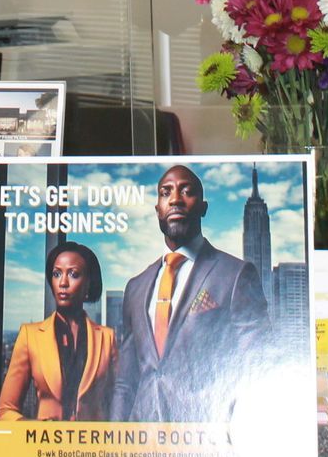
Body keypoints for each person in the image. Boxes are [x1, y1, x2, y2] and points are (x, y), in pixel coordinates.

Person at [109, 164, 269, 423]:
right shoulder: (136, 287)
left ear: (203, 207)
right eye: (166, 192)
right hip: (143, 437)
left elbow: (258, 364)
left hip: (205, 433)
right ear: (158, 210)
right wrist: (114, 439)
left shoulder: (236, 275)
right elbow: (125, 382)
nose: (175, 199)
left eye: (186, 191)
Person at [0, 241, 117, 421]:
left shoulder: (107, 338)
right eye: (56, 274)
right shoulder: (30, 336)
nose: (63, 282)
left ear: (88, 284)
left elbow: (122, 402)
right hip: (44, 439)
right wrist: (38, 428)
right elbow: (5, 411)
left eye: (73, 274)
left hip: (91, 439)